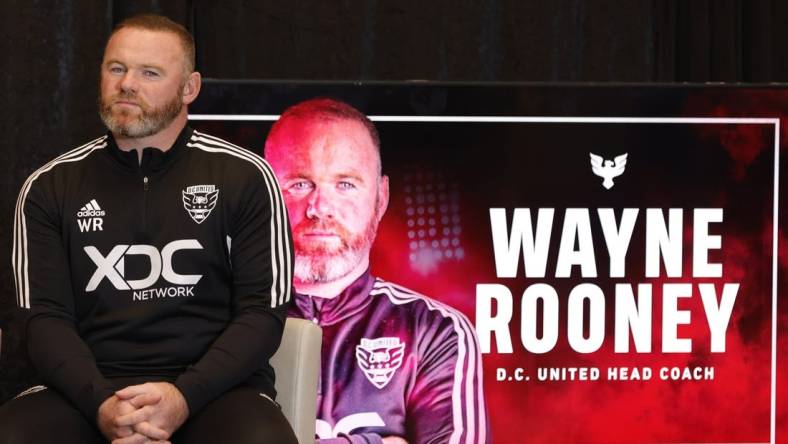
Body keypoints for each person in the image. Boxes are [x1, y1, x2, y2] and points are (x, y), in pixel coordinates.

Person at [0, 14, 296, 444]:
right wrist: (103, 404)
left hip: (213, 392)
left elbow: (262, 314)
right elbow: (42, 320)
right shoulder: (50, 185)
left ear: (189, 88)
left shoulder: (245, 176)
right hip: (82, 393)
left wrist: (182, 397)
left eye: (149, 73)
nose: (127, 84)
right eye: (116, 68)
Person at [264, 98, 488, 444]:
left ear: (380, 199)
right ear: (262, 196)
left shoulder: (432, 330)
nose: (320, 208)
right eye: (299, 184)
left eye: (345, 184)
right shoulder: (217, 320)